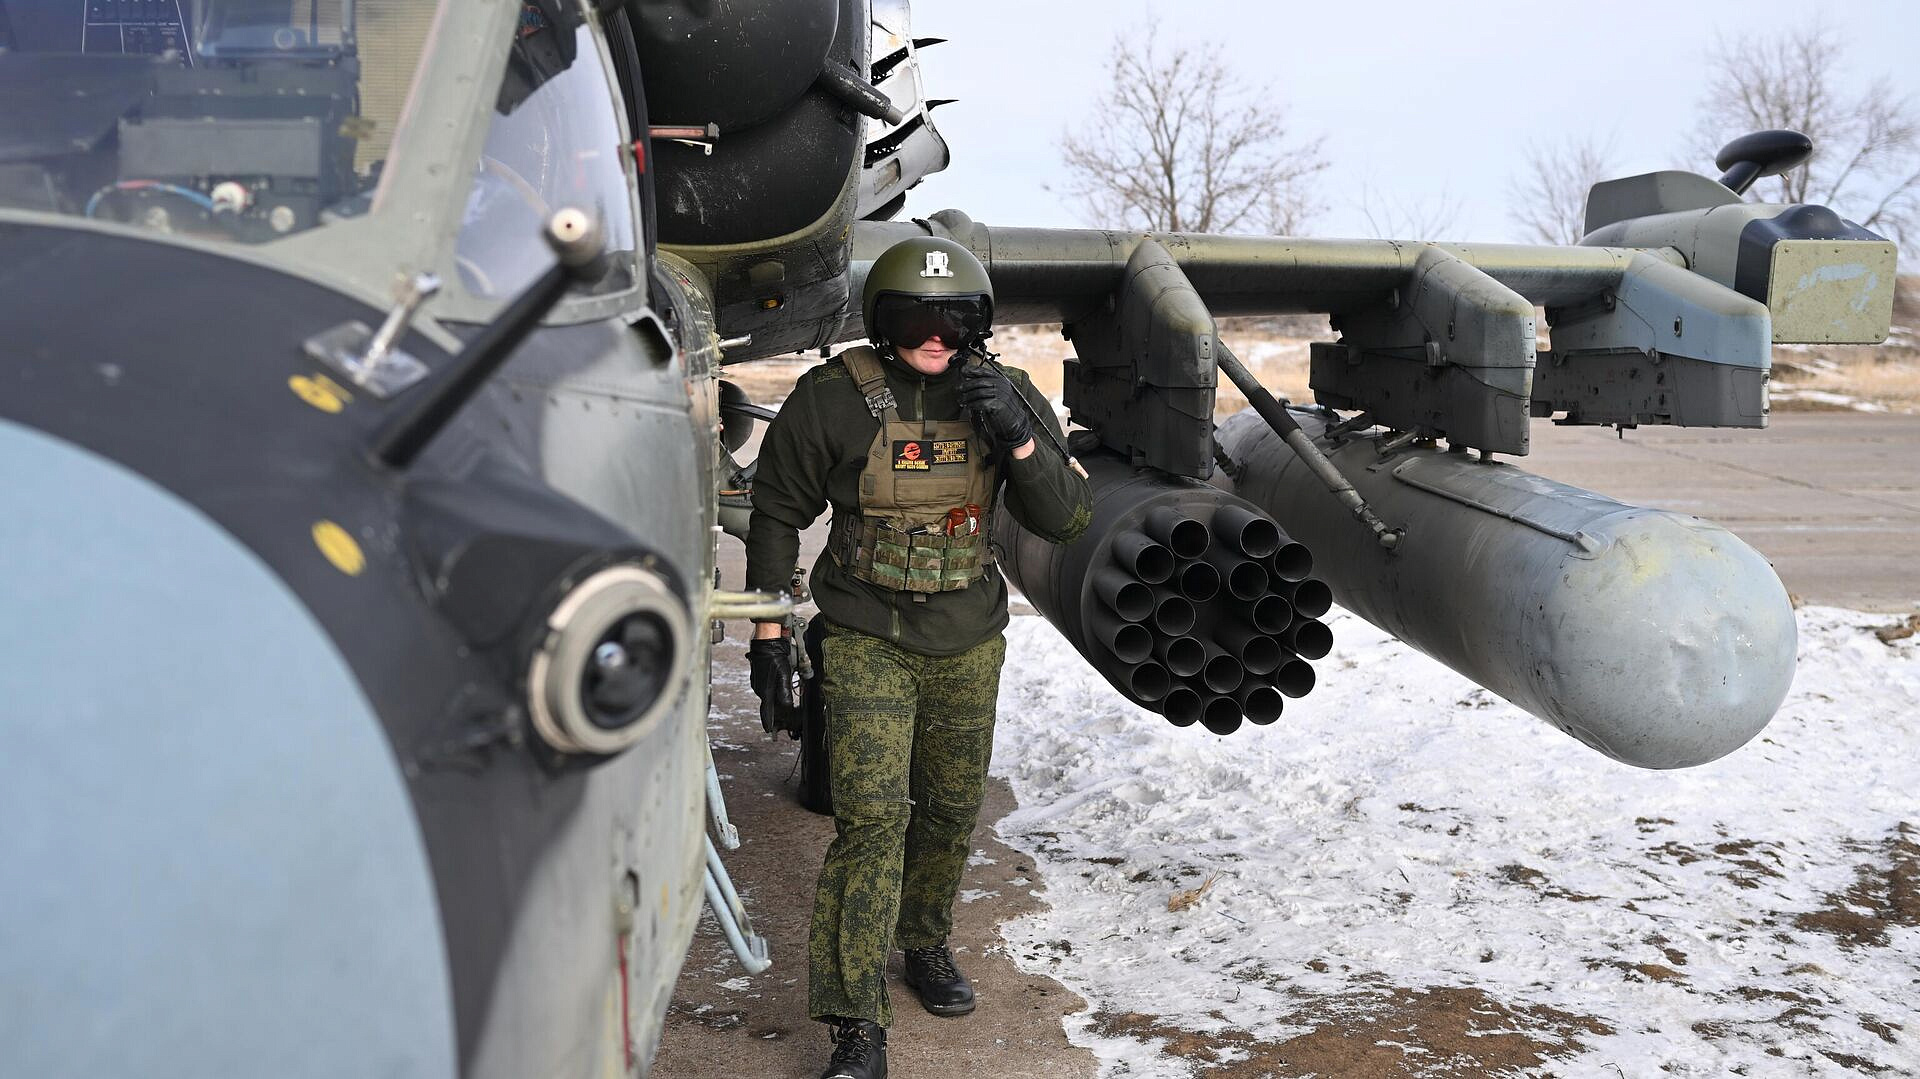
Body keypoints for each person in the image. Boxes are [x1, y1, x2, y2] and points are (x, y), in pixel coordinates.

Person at [744, 236, 1092, 1079]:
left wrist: (1014, 436)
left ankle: (925, 940)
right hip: (867, 635)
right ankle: (855, 1023)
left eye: (956, 317)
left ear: (979, 324)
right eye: (914, 316)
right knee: (871, 823)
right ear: (882, 319)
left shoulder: (1003, 394)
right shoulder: (831, 399)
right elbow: (776, 510)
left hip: (968, 640)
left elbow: (1066, 516)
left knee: (945, 810)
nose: (935, 334)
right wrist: (767, 627)